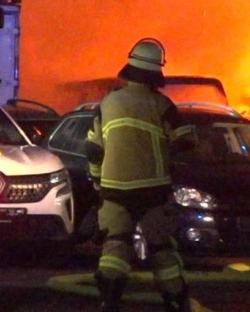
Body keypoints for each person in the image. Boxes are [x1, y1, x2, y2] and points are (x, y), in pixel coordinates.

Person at [86, 38, 198, 312]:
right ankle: (175, 300)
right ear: (156, 73)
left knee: (116, 243)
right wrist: (166, 151)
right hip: (153, 188)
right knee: (162, 249)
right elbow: (187, 139)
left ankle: (109, 299)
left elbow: (93, 149)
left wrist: (98, 182)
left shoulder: (107, 103)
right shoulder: (161, 105)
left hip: (113, 188)